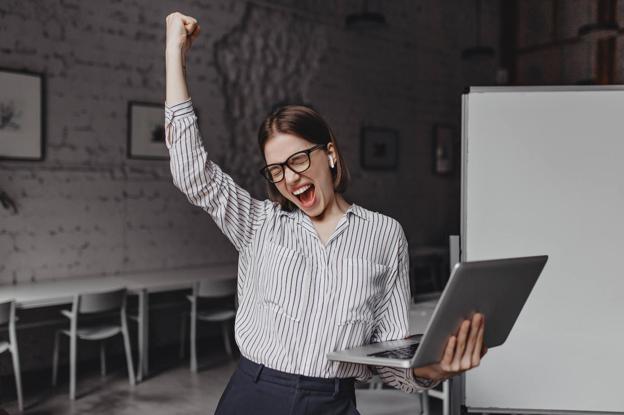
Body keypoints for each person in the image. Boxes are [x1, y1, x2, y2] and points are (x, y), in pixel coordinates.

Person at [164, 11, 487, 415]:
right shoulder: (259, 223)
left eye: (299, 160)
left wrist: (432, 369)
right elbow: (193, 174)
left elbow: (391, 362)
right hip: (255, 394)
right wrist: (174, 51)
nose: (289, 178)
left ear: (330, 154)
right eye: (277, 169)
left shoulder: (385, 235)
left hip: (332, 402)